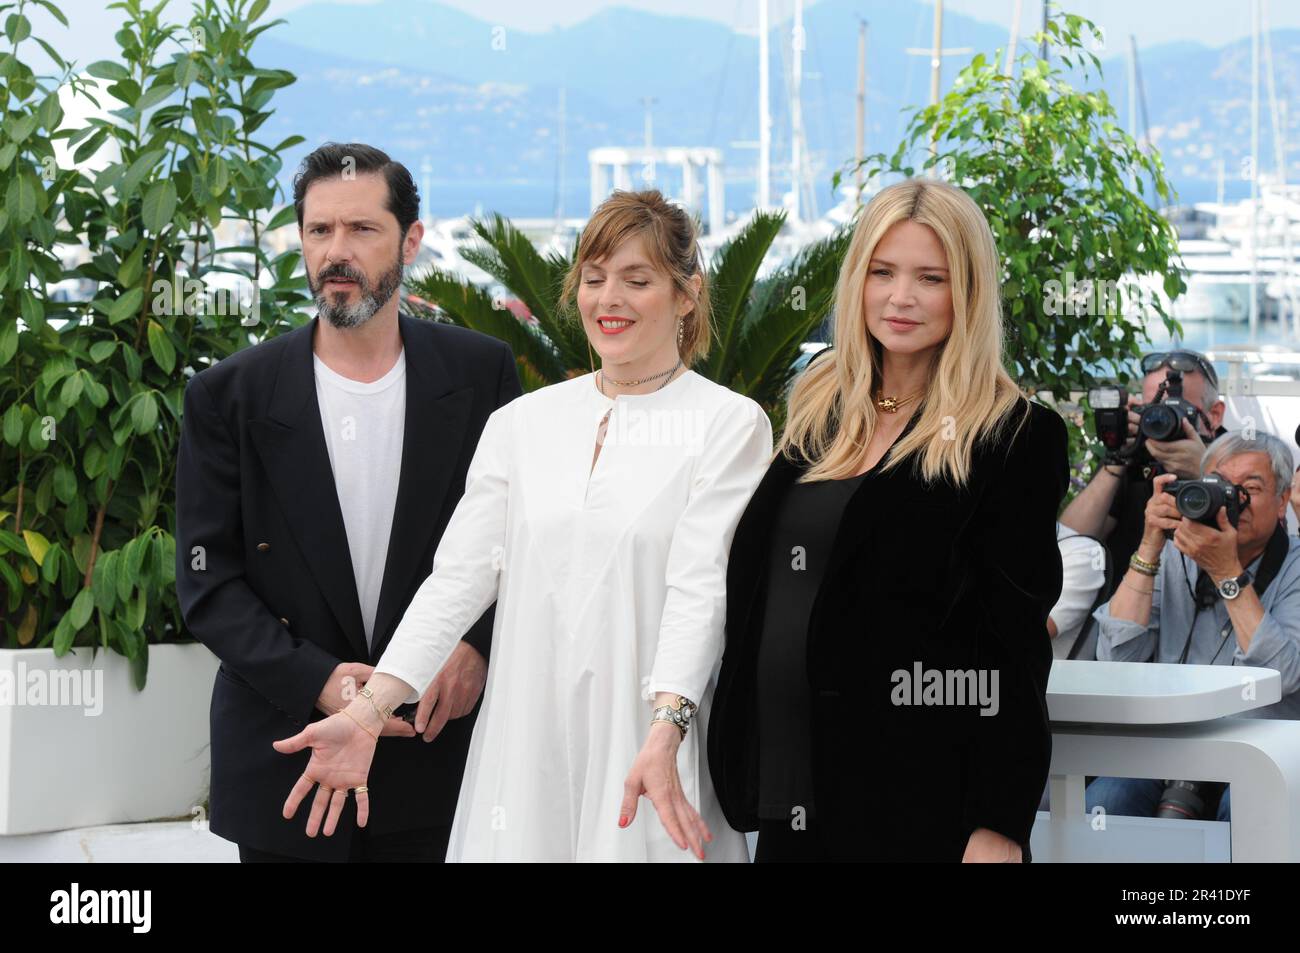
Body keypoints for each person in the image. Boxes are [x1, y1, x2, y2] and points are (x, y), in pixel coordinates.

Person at [273, 189, 773, 861]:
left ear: (687, 294)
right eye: (594, 279)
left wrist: (667, 727)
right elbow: (457, 582)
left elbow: (700, 587)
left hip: (648, 751)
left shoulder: (729, 424)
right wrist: (367, 712)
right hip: (524, 751)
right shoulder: (521, 425)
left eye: (637, 279)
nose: (609, 299)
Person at [175, 143, 522, 861]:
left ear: (411, 242)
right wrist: (322, 681)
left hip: (439, 748)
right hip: (289, 759)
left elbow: (519, 541)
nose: (337, 251)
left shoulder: (481, 374)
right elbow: (209, 583)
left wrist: (476, 645)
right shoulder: (228, 396)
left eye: (362, 230)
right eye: (319, 229)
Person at [708, 178, 1070, 862]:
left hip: (922, 807)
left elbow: (1014, 645)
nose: (901, 297)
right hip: (794, 802)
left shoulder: (1014, 436)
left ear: (967, 290)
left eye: (930, 277)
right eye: (883, 272)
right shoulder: (820, 408)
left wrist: (998, 824)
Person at [1086, 430, 1300, 822]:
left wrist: (1227, 573)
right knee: (1107, 801)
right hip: (1167, 745)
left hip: (1265, 750)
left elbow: (1283, 676)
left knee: (1250, 813)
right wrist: (1150, 545)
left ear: (1283, 499)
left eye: (1249, 488)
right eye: (1220, 486)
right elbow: (1115, 658)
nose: (1234, 500)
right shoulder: (1177, 552)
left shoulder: (1295, 568)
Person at [1060, 350, 1226, 576]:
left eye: (1178, 410)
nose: (1162, 422)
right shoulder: (1132, 454)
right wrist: (1118, 457)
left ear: (1214, 415)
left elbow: (1252, 539)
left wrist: (1204, 471)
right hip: (1127, 602)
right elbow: (1068, 543)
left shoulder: (1237, 458)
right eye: (1153, 410)